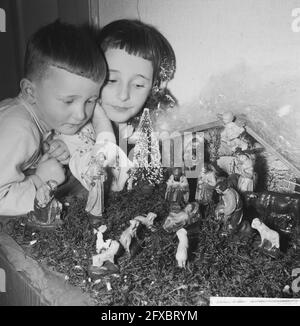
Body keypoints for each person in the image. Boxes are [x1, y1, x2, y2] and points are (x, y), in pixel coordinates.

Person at [0, 20, 107, 219]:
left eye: (91, 100)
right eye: (68, 101)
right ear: (30, 92)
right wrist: (40, 180)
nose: (81, 115)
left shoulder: (36, 116)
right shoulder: (19, 129)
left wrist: (50, 148)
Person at [62, 19, 177, 193]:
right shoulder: (76, 124)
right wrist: (102, 124)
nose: (123, 95)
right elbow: (111, 182)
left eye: (138, 85)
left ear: (153, 86)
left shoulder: (147, 121)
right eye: (112, 80)